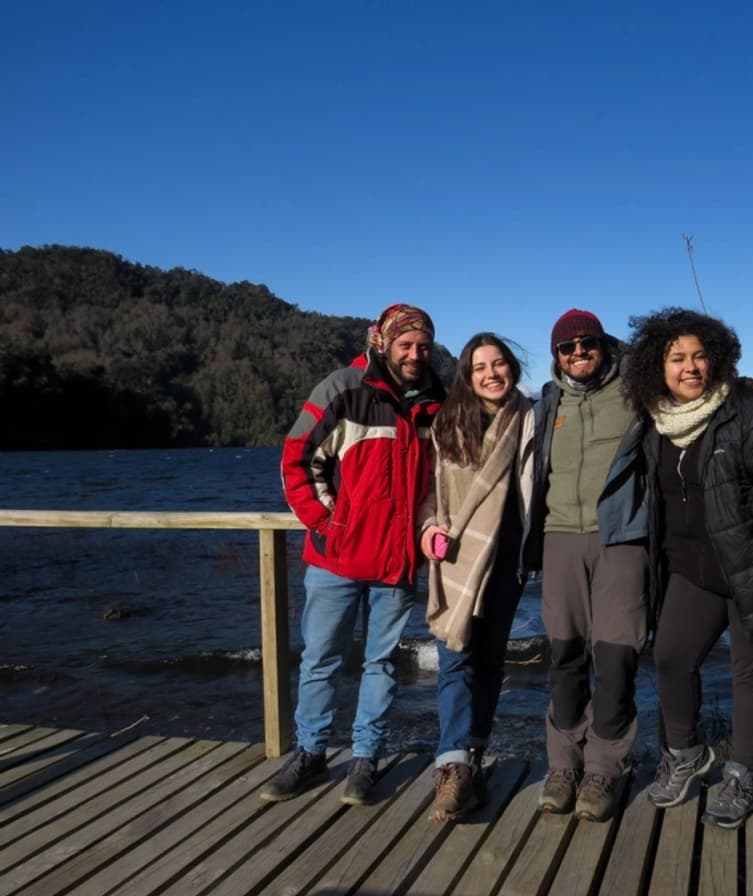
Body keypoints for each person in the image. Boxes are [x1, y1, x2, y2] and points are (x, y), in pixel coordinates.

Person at [622, 307, 753, 829]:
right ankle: (686, 755)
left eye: (699, 356)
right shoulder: (655, 421)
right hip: (692, 570)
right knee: (670, 657)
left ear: (718, 359)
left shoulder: (752, 413)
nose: (690, 367)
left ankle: (740, 774)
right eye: (676, 358)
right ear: (656, 366)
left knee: (749, 674)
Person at [265, 303, 445, 806]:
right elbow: (298, 458)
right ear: (383, 342)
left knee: (382, 663)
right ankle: (310, 752)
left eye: (423, 345)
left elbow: (443, 476)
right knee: (321, 658)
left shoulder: (436, 399)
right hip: (335, 561)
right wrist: (327, 524)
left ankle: (366, 758)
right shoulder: (343, 388)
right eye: (406, 344)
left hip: (397, 563)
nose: (415, 353)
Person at [524, 308, 649, 822]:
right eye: (567, 347)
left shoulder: (636, 390)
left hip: (622, 539)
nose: (578, 353)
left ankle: (603, 769)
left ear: (605, 345)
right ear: (556, 355)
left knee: (617, 658)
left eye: (587, 344)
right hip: (559, 540)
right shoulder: (546, 402)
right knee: (565, 657)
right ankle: (563, 764)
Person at [417, 333, 536, 822]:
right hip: (459, 557)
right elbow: (431, 492)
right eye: (479, 366)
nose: (491, 373)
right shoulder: (448, 422)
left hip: (508, 558)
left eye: (499, 363)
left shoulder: (532, 418)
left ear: (513, 368)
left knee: (488, 663)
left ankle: (472, 760)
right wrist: (428, 527)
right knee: (455, 661)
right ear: (466, 375)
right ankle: (452, 766)